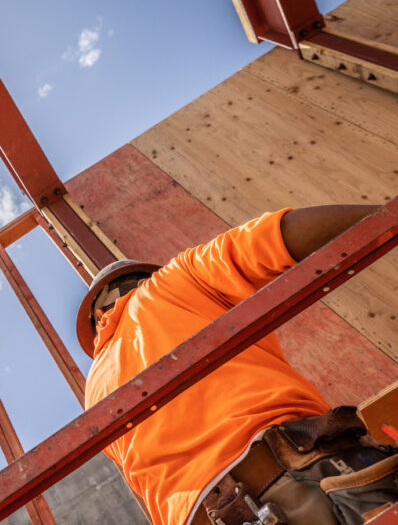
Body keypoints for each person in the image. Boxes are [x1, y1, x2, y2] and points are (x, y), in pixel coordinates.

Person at [77, 205, 397, 525]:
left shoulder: (94, 395)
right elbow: (273, 237)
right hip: (297, 477)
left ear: (96, 320)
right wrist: (387, 216)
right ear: (143, 278)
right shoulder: (170, 283)